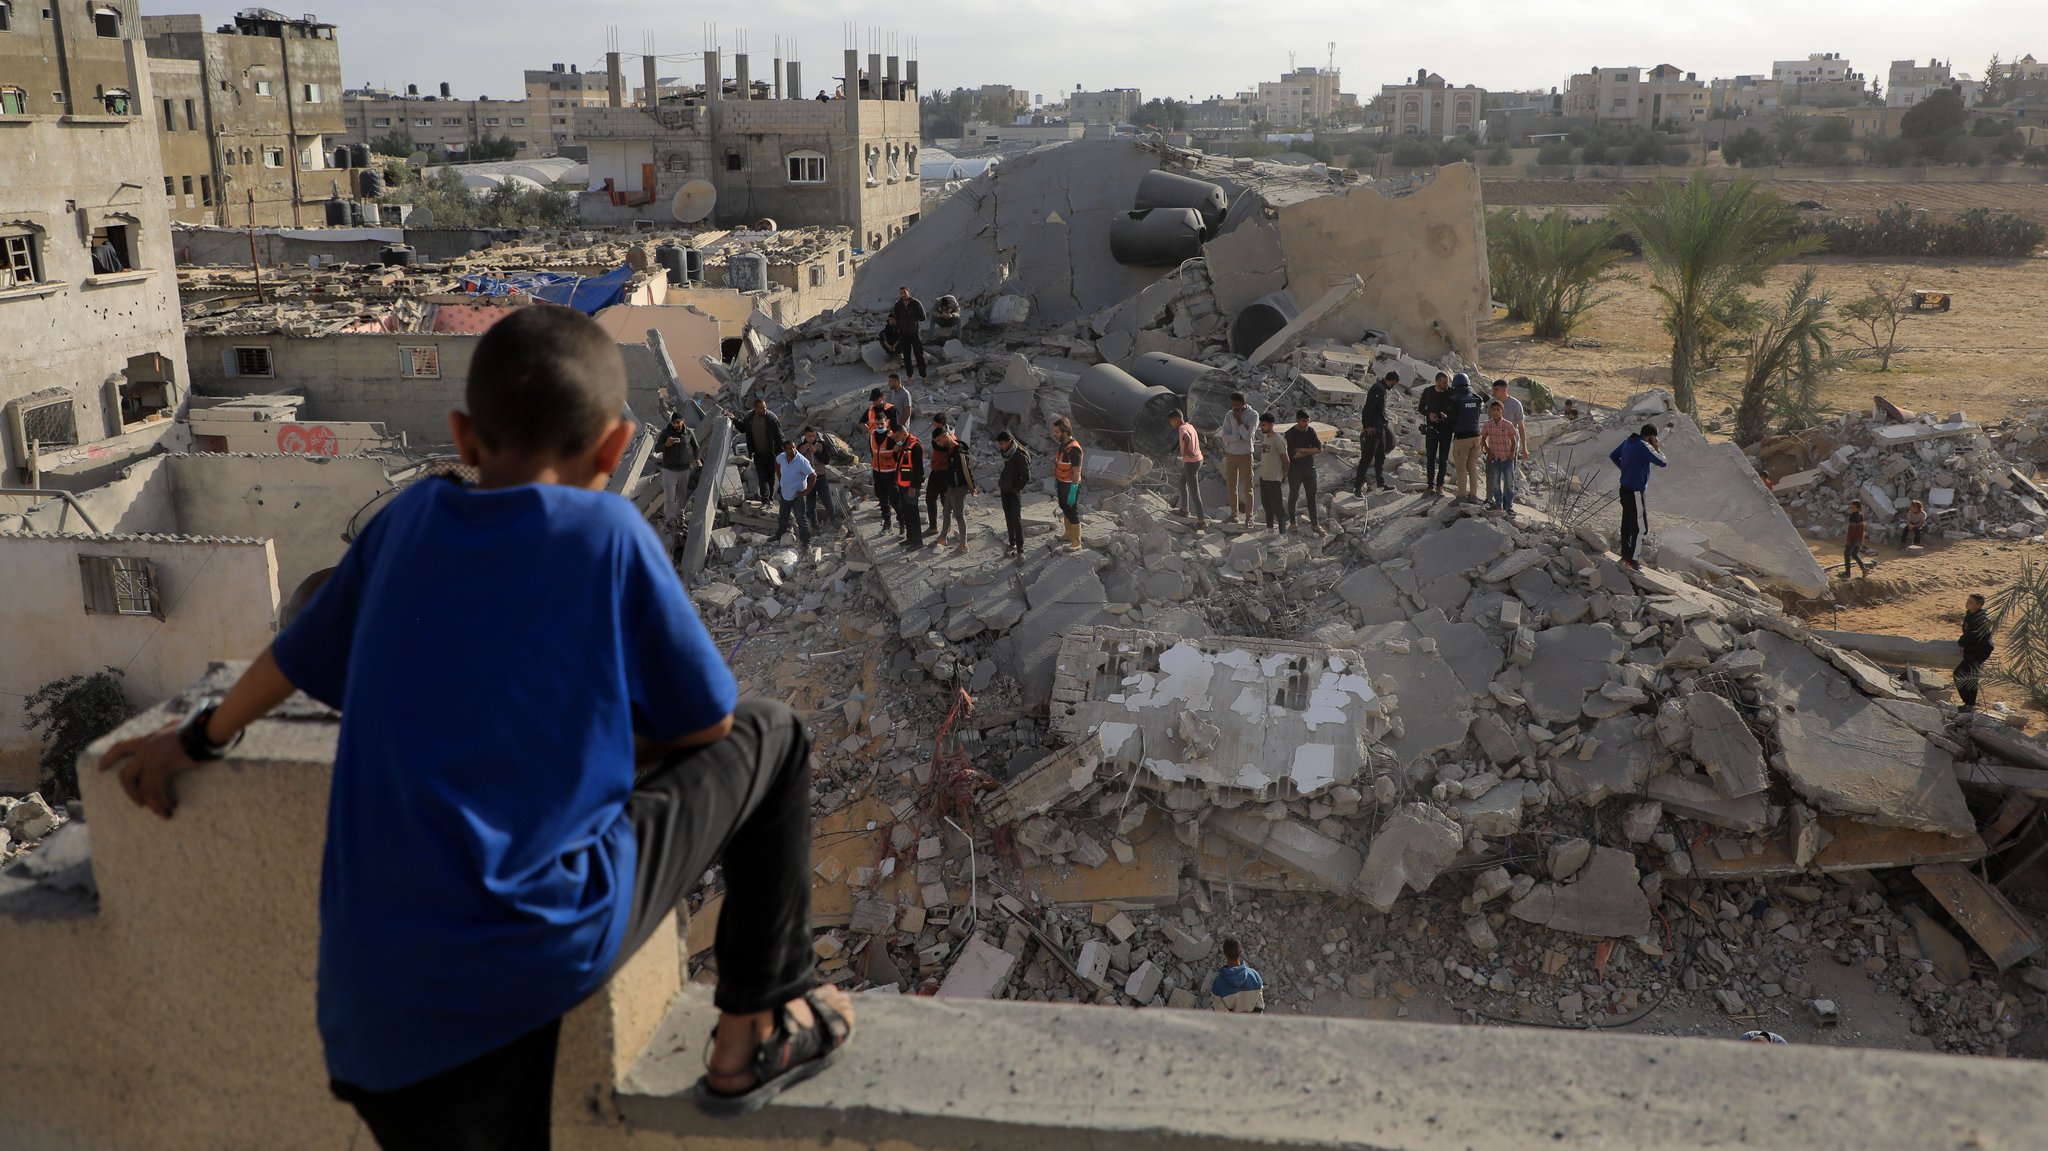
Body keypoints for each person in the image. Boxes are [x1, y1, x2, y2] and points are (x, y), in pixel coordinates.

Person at [96, 304, 852, 1142]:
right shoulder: (607, 532)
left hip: (371, 1017)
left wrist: (194, 739)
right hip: (531, 949)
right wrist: (608, 739)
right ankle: (752, 1033)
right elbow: (712, 725)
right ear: (615, 448)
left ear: (462, 435)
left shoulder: (404, 524)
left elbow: (290, 661)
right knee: (774, 734)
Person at [1609, 423, 1667, 571]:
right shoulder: (1644, 446)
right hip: (1636, 492)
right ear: (1651, 437)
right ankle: (1632, 560)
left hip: (1624, 488)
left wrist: (1625, 469)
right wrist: (1657, 448)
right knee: (1641, 528)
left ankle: (1625, 556)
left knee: (1627, 523)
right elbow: (1663, 462)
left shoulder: (1628, 440)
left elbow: (1614, 456)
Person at [932, 428, 978, 552]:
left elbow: (966, 471)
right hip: (951, 487)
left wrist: (972, 487)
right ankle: (943, 538)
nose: (938, 443)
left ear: (945, 436)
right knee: (946, 512)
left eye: (938, 440)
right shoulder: (949, 450)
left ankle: (963, 544)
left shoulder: (959, 452)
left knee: (959, 515)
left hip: (959, 488)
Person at [1216, 392, 1259, 524]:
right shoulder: (1229, 415)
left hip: (1245, 455)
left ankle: (1249, 517)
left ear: (1243, 404)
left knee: (1248, 487)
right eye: (1233, 404)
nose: (1235, 407)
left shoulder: (1253, 415)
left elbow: (1248, 436)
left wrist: (1239, 421)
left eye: (1237, 405)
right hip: (1231, 454)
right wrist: (1237, 436)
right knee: (1231, 486)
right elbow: (1225, 436)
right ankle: (1234, 515)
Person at [1353, 371, 1397, 496]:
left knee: (1380, 457)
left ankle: (1380, 484)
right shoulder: (1378, 388)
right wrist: (1366, 426)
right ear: (1393, 381)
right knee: (1366, 459)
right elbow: (1368, 408)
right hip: (1373, 430)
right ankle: (1357, 488)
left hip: (1380, 429)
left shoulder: (1381, 388)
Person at [860, 391, 898, 530]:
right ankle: (887, 522)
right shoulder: (872, 434)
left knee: (894, 498)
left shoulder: (891, 411)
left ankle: (901, 522)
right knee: (882, 497)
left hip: (890, 470)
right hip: (878, 469)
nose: (879, 426)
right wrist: (871, 431)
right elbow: (862, 422)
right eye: (877, 424)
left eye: (882, 424)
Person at [1447, 372, 1487, 504]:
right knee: (1473, 467)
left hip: (1462, 438)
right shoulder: (1476, 398)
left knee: (1461, 468)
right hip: (1476, 437)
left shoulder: (1454, 399)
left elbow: (1451, 419)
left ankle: (1461, 496)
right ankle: (1473, 496)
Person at [654, 413, 701, 527]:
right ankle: (670, 520)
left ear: (683, 421)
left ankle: (680, 520)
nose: (676, 425)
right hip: (669, 470)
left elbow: (696, 446)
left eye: (678, 422)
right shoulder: (665, 433)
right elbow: (656, 448)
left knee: (682, 497)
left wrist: (697, 459)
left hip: (684, 470)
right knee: (670, 497)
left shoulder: (688, 432)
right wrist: (666, 444)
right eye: (674, 423)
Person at [736, 397, 784, 505]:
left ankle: (770, 497)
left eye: (765, 407)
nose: (764, 410)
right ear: (756, 409)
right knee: (762, 476)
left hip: (771, 453)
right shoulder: (749, 418)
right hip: (757, 453)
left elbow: (779, 436)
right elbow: (743, 429)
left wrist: (780, 452)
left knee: (771, 476)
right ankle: (765, 498)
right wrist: (734, 420)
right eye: (762, 408)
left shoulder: (772, 418)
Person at [770, 439, 817, 547]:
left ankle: (806, 542)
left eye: (794, 447)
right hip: (785, 493)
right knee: (783, 517)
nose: (793, 450)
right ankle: (779, 535)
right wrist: (779, 475)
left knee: (801, 518)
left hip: (797, 495)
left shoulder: (802, 461)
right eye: (790, 448)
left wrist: (806, 491)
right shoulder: (782, 457)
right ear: (785, 450)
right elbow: (776, 462)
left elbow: (813, 476)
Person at [1284, 409, 1323, 537]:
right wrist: (1309, 451)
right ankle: (1293, 522)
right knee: (1294, 495)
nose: (1305, 423)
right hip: (1295, 470)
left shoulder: (1310, 431)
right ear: (1297, 420)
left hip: (1309, 469)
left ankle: (1315, 523)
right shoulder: (1290, 434)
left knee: (1312, 496)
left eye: (1307, 421)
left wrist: (1302, 450)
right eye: (1303, 421)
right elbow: (1294, 455)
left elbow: (1318, 449)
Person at [797, 427, 844, 532]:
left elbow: (826, 460)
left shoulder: (821, 445)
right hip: (808, 479)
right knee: (810, 504)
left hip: (821, 477)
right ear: (805, 436)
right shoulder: (800, 447)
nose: (811, 438)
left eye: (813, 436)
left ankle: (834, 521)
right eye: (809, 436)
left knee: (827, 501)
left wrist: (816, 452)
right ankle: (815, 526)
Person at [1168, 409, 1207, 532]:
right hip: (1197, 460)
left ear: (1176, 420)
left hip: (1191, 462)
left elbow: (1186, 438)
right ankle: (1184, 509)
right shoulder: (1189, 425)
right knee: (1182, 482)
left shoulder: (1182, 429)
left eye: (1171, 422)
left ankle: (1202, 521)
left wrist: (1186, 452)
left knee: (1195, 492)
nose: (1171, 424)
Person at [1417, 371, 1456, 493]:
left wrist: (1447, 415)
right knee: (1431, 459)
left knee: (1443, 459)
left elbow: (1456, 410)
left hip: (1446, 430)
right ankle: (1430, 485)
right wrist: (1429, 414)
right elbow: (1421, 408)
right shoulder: (1428, 392)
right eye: (1444, 383)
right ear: (1437, 382)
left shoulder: (1451, 393)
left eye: (1447, 382)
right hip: (1432, 429)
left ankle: (1440, 485)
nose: (1446, 385)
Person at [995, 430, 1031, 557]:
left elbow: (1026, 476)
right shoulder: (1006, 453)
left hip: (1014, 492)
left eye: (1002, 443)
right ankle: (1012, 543)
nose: (1001, 446)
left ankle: (1020, 550)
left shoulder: (1019, 455)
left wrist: (1016, 489)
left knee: (1016, 520)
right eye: (999, 444)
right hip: (1005, 490)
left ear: (1009, 442)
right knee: (1008, 519)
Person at [1958, 593, 1995, 711]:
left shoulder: (1981, 619)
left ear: (1979, 605)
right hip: (1972, 649)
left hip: (1979, 650)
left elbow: (1973, 635)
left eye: (1971, 602)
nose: (1967, 603)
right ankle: (1969, 703)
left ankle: (1969, 703)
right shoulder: (1970, 614)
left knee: (1962, 675)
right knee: (1968, 675)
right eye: (1968, 601)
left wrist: (1961, 642)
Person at [891, 422, 925, 549]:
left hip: (910, 487)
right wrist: (895, 452)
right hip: (902, 485)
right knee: (906, 512)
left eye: (896, 437)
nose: (895, 440)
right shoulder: (904, 445)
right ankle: (910, 538)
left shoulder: (914, 446)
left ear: (902, 433)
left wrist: (913, 487)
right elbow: (900, 464)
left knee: (913, 513)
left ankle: (917, 542)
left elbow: (918, 470)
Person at [1482, 399, 1519, 514]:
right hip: (1496, 459)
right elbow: (1483, 438)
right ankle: (1498, 504)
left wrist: (1513, 453)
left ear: (1502, 411)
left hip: (1507, 458)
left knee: (1509, 483)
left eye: (1498, 410)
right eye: (1493, 410)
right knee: (1495, 483)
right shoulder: (1488, 424)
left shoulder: (1507, 424)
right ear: (1491, 411)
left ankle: (1509, 507)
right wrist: (1488, 450)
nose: (1496, 412)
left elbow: (1513, 439)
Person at [1052, 418, 1084, 552]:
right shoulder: (1062, 445)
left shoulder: (1074, 449)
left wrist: (1073, 490)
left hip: (1070, 484)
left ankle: (1076, 543)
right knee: (1064, 507)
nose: (1055, 434)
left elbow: (1076, 472)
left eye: (1057, 432)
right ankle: (1068, 534)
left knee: (1072, 510)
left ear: (1065, 432)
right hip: (1061, 482)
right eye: (1054, 431)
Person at [1210, 938, 1266, 1014]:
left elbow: (1221, 1015)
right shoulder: (1255, 976)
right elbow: (1259, 1008)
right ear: (1240, 952)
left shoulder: (1218, 983)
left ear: (1225, 954)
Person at [1256, 412, 1288, 532]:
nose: (1261, 427)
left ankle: (1282, 534)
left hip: (1274, 479)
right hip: (1264, 477)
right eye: (1261, 425)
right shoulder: (1266, 438)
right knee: (1267, 506)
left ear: (1271, 425)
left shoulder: (1278, 440)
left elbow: (1286, 460)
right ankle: (1269, 529)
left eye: (1263, 425)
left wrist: (1284, 475)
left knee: (1277, 507)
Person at [891, 287, 929, 383]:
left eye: (905, 292)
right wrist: (900, 328)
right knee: (906, 356)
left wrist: (913, 318)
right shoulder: (898, 305)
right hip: (904, 334)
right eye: (901, 293)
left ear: (909, 292)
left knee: (919, 355)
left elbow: (923, 317)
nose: (903, 294)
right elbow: (896, 318)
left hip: (914, 333)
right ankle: (909, 377)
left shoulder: (916, 303)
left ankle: (924, 376)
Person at [924, 414, 952, 536]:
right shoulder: (936, 434)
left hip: (945, 472)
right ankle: (933, 527)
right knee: (930, 498)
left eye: (936, 425)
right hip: (936, 470)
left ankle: (946, 528)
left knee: (945, 501)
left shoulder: (949, 437)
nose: (934, 427)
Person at [1490, 379, 1529, 463]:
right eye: (1493, 390)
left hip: (1511, 444)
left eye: (1496, 389)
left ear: (1504, 390)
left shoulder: (1515, 405)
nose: (1494, 392)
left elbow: (1521, 427)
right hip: (1495, 445)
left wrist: (1525, 448)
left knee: (1509, 473)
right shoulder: (1491, 403)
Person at [1842, 498, 1873, 578]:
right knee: (1854, 554)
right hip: (1859, 539)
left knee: (1847, 554)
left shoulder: (1853, 517)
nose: (1851, 508)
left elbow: (1851, 530)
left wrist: (1848, 540)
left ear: (1858, 508)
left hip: (1853, 539)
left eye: (1853, 507)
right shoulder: (1861, 515)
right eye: (1851, 507)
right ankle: (1864, 568)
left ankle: (1847, 573)